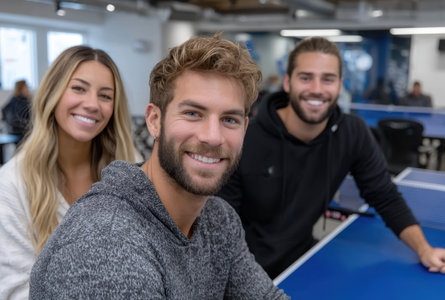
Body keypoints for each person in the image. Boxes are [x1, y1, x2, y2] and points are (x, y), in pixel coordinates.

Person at [29, 35, 289, 299]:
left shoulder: (218, 219)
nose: (212, 136)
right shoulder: (108, 243)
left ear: (245, 129)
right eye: (192, 114)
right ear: (154, 121)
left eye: (229, 119)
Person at [218, 37, 445, 279]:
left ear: (340, 86)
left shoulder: (352, 133)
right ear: (288, 82)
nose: (317, 89)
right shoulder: (244, 138)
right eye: (306, 77)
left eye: (327, 79)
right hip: (245, 270)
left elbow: (384, 195)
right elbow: (219, 229)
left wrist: (425, 250)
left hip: (301, 260)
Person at [0, 46, 139, 299]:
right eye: (78, 88)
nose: (92, 104)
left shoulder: (130, 169)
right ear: (53, 92)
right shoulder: (11, 185)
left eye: (105, 96)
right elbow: (15, 291)